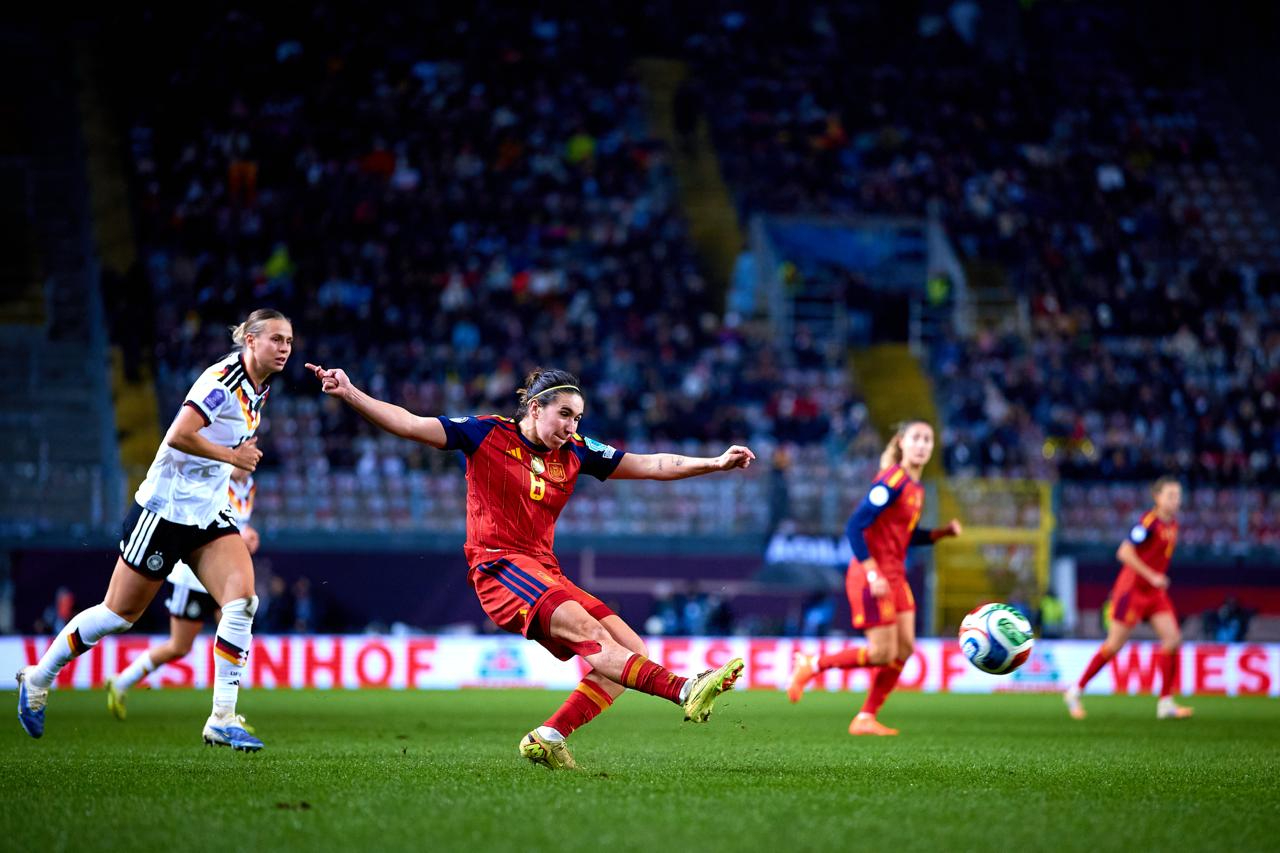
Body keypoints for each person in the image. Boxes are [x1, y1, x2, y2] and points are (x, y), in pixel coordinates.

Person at [305, 362, 753, 769]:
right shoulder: (485, 433)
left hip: (543, 569)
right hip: (500, 566)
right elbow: (411, 424)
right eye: (564, 414)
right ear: (535, 408)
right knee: (594, 636)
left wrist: (713, 463)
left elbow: (652, 463)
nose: (572, 426)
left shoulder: (577, 450)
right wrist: (351, 393)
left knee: (630, 646)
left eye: (578, 418)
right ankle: (683, 689)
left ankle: (549, 736)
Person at [17, 309, 293, 752]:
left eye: (289, 342)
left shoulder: (259, 387)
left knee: (242, 602)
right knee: (117, 615)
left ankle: (221, 717)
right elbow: (179, 434)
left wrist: (231, 461)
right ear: (251, 341)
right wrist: (232, 457)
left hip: (207, 513)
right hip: (164, 511)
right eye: (277, 339)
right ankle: (38, 676)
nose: (284, 349)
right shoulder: (222, 381)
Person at [786, 420, 962, 735]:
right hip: (871, 574)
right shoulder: (891, 481)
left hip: (895, 576)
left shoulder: (916, 489)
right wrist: (871, 570)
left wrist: (942, 533)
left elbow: (904, 536)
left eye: (928, 439)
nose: (922, 444)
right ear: (901, 443)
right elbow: (854, 526)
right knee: (882, 653)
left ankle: (865, 717)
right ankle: (813, 665)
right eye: (916, 438)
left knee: (904, 649)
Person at [104, 470, 260, 724]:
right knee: (179, 646)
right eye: (249, 443)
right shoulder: (215, 475)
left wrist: (246, 534)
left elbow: (235, 523)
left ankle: (226, 711)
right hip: (191, 575)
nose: (255, 451)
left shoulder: (249, 485)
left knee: (238, 620)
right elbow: (197, 517)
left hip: (220, 572)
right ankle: (122, 681)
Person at [1064, 476, 1193, 720]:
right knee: (1113, 646)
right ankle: (1075, 690)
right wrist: (1152, 575)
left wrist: (1155, 580)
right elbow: (1123, 552)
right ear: (1157, 497)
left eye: (1178, 496)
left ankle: (1165, 702)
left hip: (1153, 593)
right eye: (1171, 495)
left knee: (1173, 639)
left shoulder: (1172, 525)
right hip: (1132, 590)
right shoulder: (1148, 523)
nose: (1176, 500)